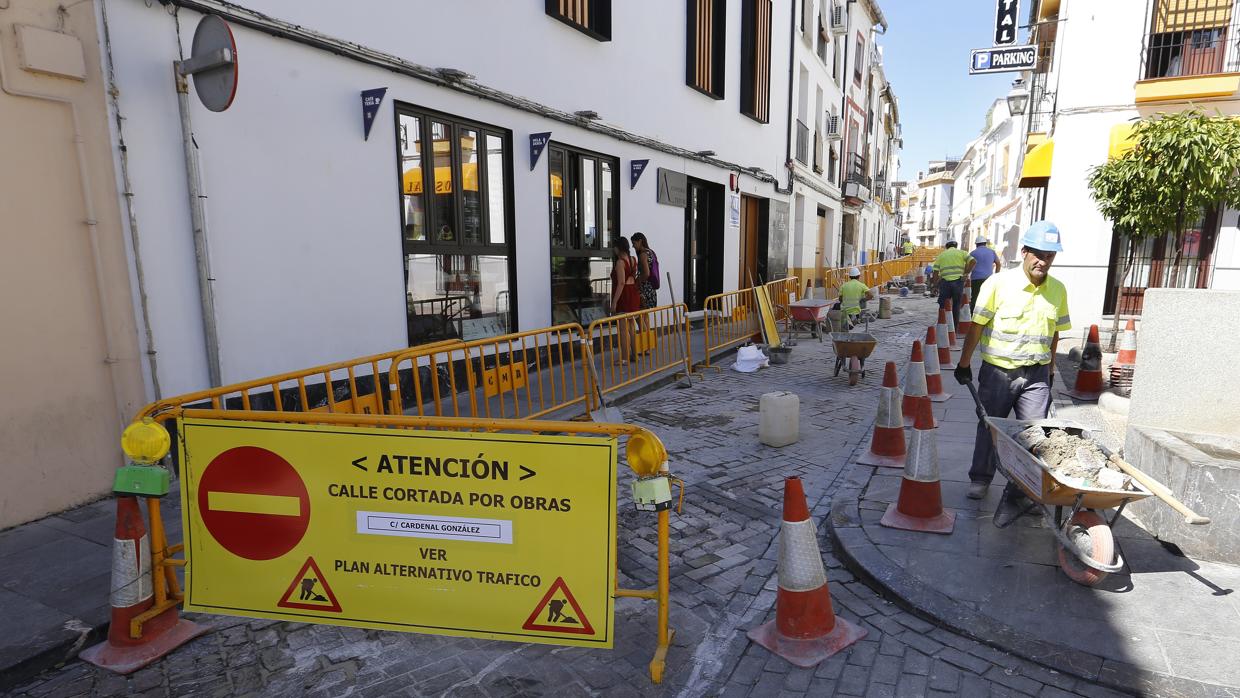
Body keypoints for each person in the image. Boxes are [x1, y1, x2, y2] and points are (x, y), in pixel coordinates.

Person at [954, 221, 1071, 501]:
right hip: (998, 372)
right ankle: (981, 478)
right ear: (1025, 251)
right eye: (1039, 254)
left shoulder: (1058, 289)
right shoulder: (998, 283)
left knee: (1034, 434)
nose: (1044, 261)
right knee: (990, 426)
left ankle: (1020, 485)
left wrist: (1051, 368)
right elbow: (978, 325)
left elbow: (1055, 333)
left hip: (1036, 375)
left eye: (1050, 256)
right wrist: (964, 363)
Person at [610, 236, 641, 364]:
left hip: (624, 295)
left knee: (623, 329)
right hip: (633, 293)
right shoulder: (633, 260)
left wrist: (614, 302)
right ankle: (635, 354)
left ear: (618, 248)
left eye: (614, 247)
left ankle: (624, 357)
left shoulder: (620, 262)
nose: (613, 249)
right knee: (632, 327)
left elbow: (621, 283)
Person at [931, 240, 974, 327]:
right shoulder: (962, 253)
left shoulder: (941, 255)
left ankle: (943, 323)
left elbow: (935, 272)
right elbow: (973, 261)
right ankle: (954, 326)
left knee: (943, 304)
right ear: (956, 246)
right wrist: (966, 273)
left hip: (945, 282)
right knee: (956, 304)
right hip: (958, 281)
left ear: (946, 247)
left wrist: (935, 286)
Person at [968, 236, 1003, 302]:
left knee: (975, 297)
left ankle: (973, 311)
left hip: (976, 279)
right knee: (987, 298)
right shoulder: (992, 252)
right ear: (985, 243)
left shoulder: (972, 253)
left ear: (976, 244)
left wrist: (966, 274)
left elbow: (969, 265)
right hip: (988, 279)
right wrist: (996, 275)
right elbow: (998, 264)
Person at [631, 232, 659, 310]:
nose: (633, 246)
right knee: (644, 315)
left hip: (645, 290)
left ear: (640, 241)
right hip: (651, 289)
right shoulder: (650, 252)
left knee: (641, 315)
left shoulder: (643, 255)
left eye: (634, 243)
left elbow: (646, 274)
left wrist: (637, 281)